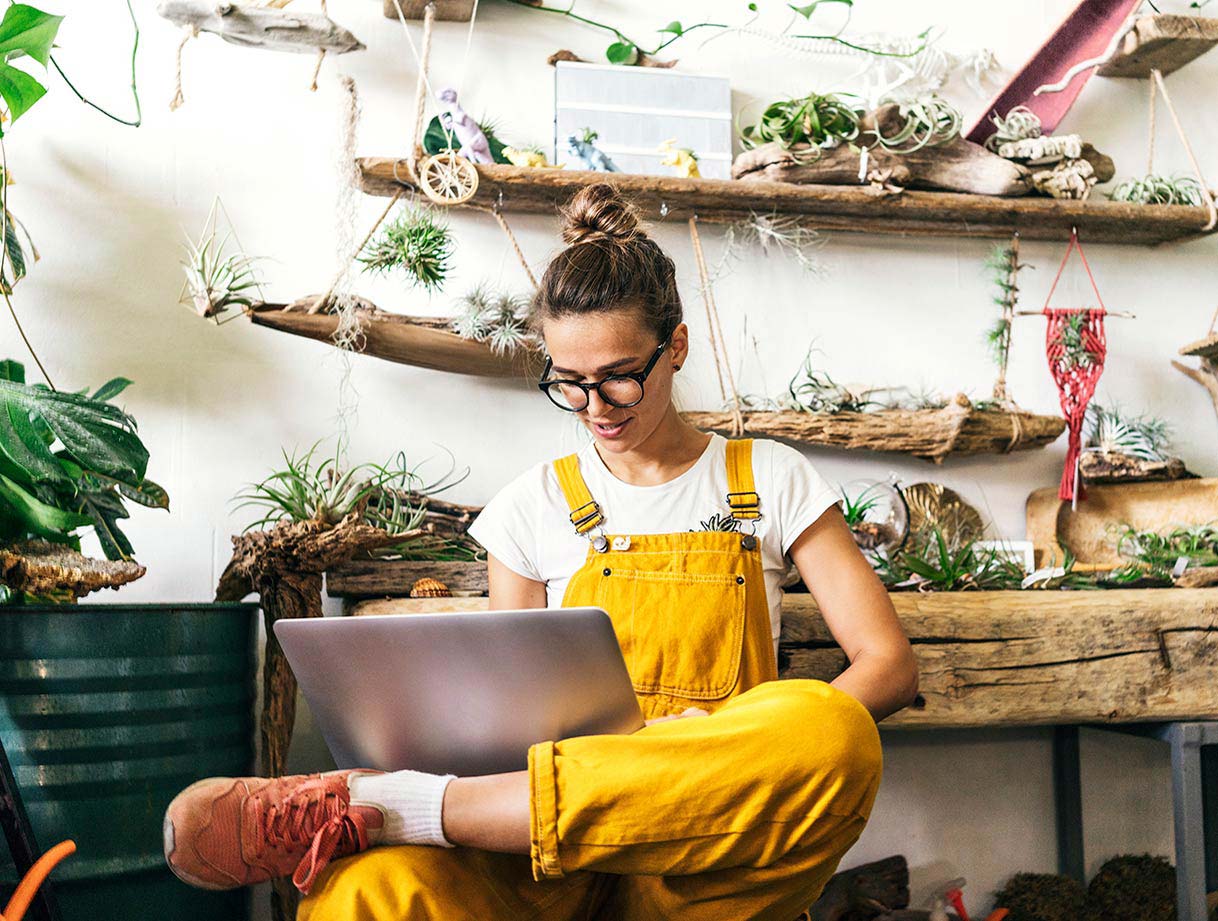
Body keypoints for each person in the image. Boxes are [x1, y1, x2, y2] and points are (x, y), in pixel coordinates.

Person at [163, 183, 918, 920]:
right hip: (544, 861)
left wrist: (699, 744)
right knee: (368, 890)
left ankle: (410, 804)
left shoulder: (771, 477)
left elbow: (888, 664)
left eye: (620, 379)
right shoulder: (532, 505)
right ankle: (420, 808)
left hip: (703, 846)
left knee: (834, 733)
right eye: (570, 384)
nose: (596, 410)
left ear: (676, 346)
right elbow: (505, 725)